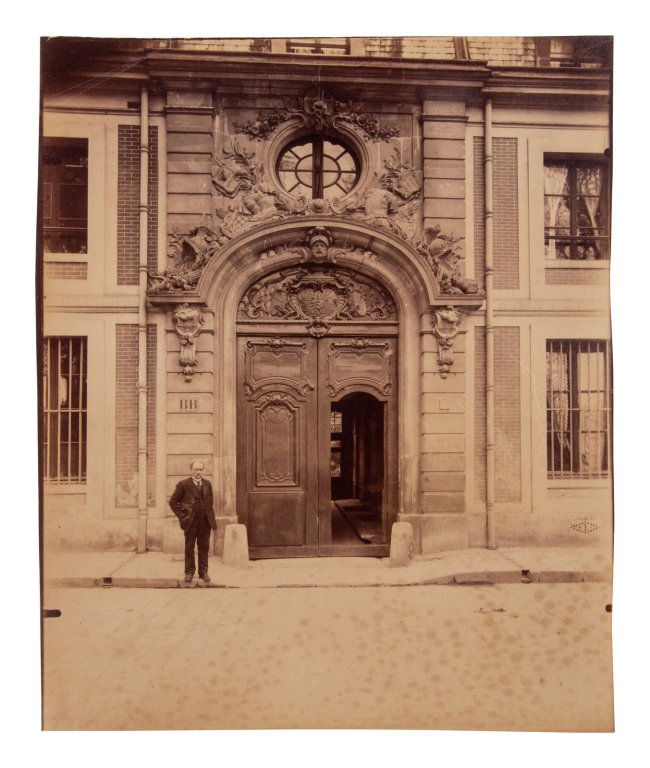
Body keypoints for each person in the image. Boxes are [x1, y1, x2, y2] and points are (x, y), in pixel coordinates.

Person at [169, 460, 217, 583]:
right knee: (189, 547)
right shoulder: (183, 484)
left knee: (204, 547)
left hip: (205, 521)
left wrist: (208, 515)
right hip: (190, 521)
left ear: (203, 470)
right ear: (191, 470)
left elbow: (210, 502)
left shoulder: (207, 484)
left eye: (200, 469)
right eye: (196, 469)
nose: (198, 472)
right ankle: (189, 572)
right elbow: (173, 502)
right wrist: (182, 515)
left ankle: (203, 572)